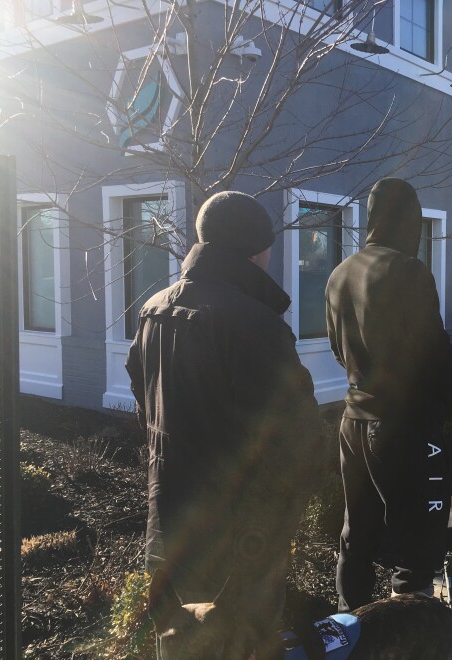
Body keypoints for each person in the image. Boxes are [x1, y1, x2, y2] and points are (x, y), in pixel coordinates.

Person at [125, 191, 325, 659]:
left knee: (176, 644)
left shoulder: (153, 310)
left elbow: (145, 408)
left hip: (169, 521)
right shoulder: (255, 324)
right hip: (239, 546)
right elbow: (297, 440)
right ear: (258, 250)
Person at [325, 178, 452, 612]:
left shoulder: (340, 273)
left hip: (352, 418)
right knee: (414, 529)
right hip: (402, 422)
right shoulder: (409, 271)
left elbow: (334, 346)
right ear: (409, 220)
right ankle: (408, 623)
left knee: (357, 528)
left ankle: (351, 623)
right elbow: (434, 353)